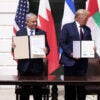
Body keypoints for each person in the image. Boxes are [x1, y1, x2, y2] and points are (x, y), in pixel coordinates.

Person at [59, 9, 96, 100]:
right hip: (69, 62)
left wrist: (92, 48)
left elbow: (89, 42)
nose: (87, 20)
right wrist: (71, 53)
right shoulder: (67, 27)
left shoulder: (87, 29)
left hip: (82, 63)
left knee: (81, 87)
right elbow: (62, 42)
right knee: (69, 88)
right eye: (86, 18)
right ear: (78, 18)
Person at [12, 13, 50, 100]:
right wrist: (14, 48)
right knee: (24, 92)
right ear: (27, 22)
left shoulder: (42, 33)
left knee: (38, 92)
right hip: (24, 67)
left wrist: (46, 50)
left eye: (36, 21)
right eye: (33, 22)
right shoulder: (19, 33)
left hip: (37, 67)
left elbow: (48, 48)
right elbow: (15, 50)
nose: (35, 24)